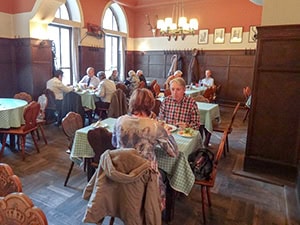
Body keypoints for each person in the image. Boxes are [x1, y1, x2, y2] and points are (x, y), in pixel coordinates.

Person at [112, 88, 178, 210]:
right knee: (166, 175)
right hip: (146, 178)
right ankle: (152, 210)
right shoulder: (154, 126)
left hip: (122, 172)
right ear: (151, 104)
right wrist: (167, 133)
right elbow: (173, 152)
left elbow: (114, 143)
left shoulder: (120, 121)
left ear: (131, 102)